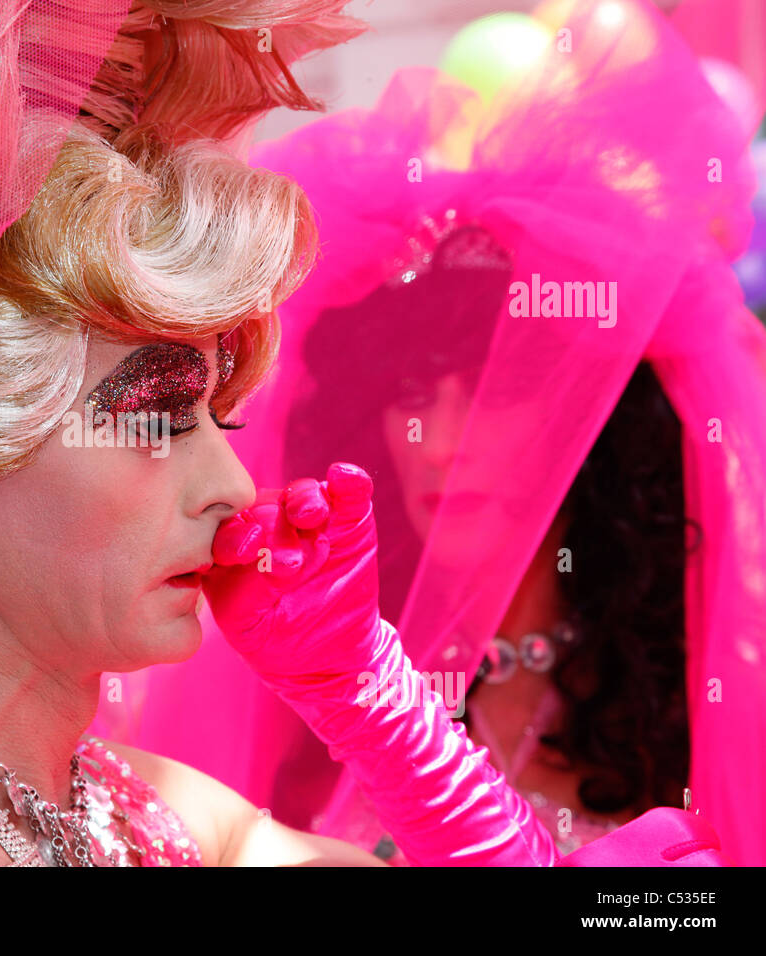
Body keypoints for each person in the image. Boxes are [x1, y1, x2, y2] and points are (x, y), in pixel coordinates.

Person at [90, 0, 766, 866]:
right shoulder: (305, 667)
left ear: (586, 412)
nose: (440, 439)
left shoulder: (709, 679)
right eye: (413, 392)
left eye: (494, 391)